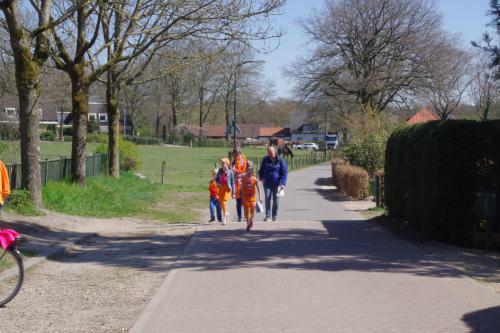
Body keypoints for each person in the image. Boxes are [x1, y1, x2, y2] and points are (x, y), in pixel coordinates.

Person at [258, 146, 287, 222]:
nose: (270, 154)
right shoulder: (265, 159)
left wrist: (283, 184)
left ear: (275, 152)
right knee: (267, 198)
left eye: (271, 153)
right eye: (268, 153)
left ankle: (274, 216)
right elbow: (260, 170)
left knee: (276, 201)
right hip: (267, 183)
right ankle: (267, 216)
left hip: (277, 184)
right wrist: (261, 178)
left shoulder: (280, 160)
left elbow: (284, 173)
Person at [241, 161, 262, 231]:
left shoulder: (254, 179)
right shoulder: (243, 178)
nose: (248, 171)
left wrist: (260, 197)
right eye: (247, 170)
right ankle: (247, 224)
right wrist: (241, 197)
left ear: (252, 170)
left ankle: (251, 219)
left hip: (252, 197)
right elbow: (241, 188)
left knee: (252, 211)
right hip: (245, 197)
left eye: (250, 170)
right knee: (246, 210)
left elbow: (259, 189)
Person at [216, 157, 235, 225]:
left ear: (227, 164)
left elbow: (233, 183)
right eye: (222, 162)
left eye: (223, 162)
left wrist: (233, 193)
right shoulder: (219, 171)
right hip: (221, 188)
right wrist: (218, 184)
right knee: (220, 202)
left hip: (227, 189)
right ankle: (225, 216)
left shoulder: (231, 172)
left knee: (224, 201)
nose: (222, 164)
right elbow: (217, 179)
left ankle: (225, 216)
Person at [231, 147, 247, 222]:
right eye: (235, 154)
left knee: (244, 200)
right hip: (237, 182)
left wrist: (239, 172)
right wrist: (234, 171)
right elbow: (232, 170)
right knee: (238, 200)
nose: (235, 155)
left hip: (243, 180)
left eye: (236, 154)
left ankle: (245, 216)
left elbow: (246, 169)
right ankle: (239, 217)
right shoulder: (234, 161)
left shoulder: (243, 158)